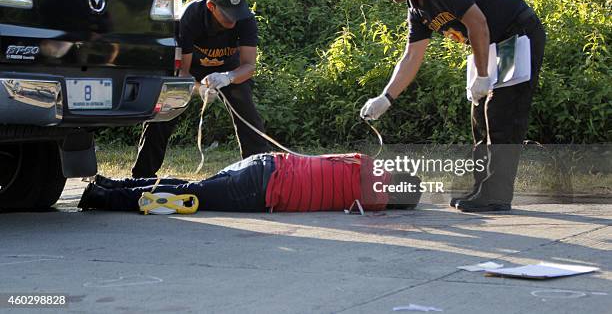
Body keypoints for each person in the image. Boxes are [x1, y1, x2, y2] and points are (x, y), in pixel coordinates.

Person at [360, 0, 546, 213]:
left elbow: (478, 23)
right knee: (479, 114)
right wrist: (386, 98)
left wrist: (483, 76)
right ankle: (483, 189)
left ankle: (496, 195)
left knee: (501, 113)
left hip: (516, 34)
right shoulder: (417, 8)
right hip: (489, 45)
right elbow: (412, 56)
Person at [131, 0, 270, 178]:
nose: (232, 20)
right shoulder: (191, 17)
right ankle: (142, 175)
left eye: (236, 14)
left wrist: (228, 77)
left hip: (228, 69)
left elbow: (248, 66)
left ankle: (258, 173)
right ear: (211, 6)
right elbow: (183, 72)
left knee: (247, 112)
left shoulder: (245, 18)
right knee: (167, 108)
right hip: (192, 69)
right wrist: (199, 89)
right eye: (226, 14)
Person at [78, 153, 422, 212]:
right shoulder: (374, 200)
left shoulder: (365, 163)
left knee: (192, 185)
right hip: (262, 191)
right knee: (190, 194)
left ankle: (114, 185)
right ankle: (104, 197)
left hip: (267, 163)